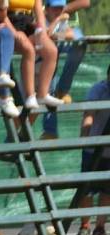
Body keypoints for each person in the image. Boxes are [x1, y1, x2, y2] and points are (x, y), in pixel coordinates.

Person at [41, 0, 89, 139]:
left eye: (60, 8)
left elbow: (85, 2)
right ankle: (49, 131)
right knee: (49, 85)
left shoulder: (60, 18)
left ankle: (63, 89)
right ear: (47, 9)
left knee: (80, 44)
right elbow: (47, 34)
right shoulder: (43, 17)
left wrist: (60, 16)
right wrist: (58, 19)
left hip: (59, 41)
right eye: (55, 8)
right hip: (41, 56)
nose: (58, 10)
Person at [5, 0, 63, 112]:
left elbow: (39, 13)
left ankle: (43, 94)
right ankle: (30, 95)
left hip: (28, 22)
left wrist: (41, 30)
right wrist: (14, 32)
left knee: (51, 51)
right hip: (9, 22)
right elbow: (0, 13)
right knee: (29, 50)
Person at [75, 64, 110, 235]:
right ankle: (84, 227)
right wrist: (85, 137)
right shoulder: (99, 89)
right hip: (93, 148)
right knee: (87, 190)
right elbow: (89, 114)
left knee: (107, 190)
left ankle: (100, 228)